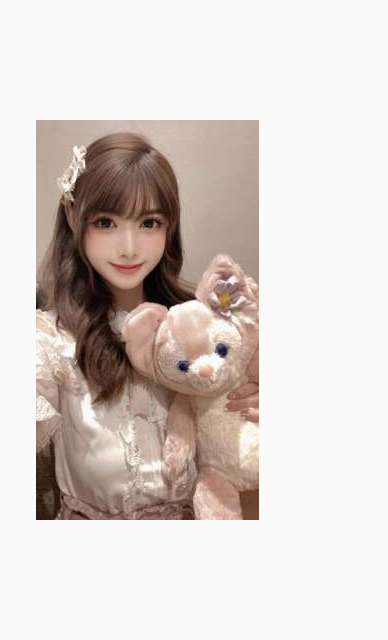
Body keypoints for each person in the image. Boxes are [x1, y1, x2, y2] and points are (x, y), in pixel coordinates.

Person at [36, 132, 259, 520]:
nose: (129, 247)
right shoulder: (52, 339)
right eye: (106, 222)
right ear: (73, 217)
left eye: (149, 222)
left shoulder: (204, 324)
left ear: (169, 227)